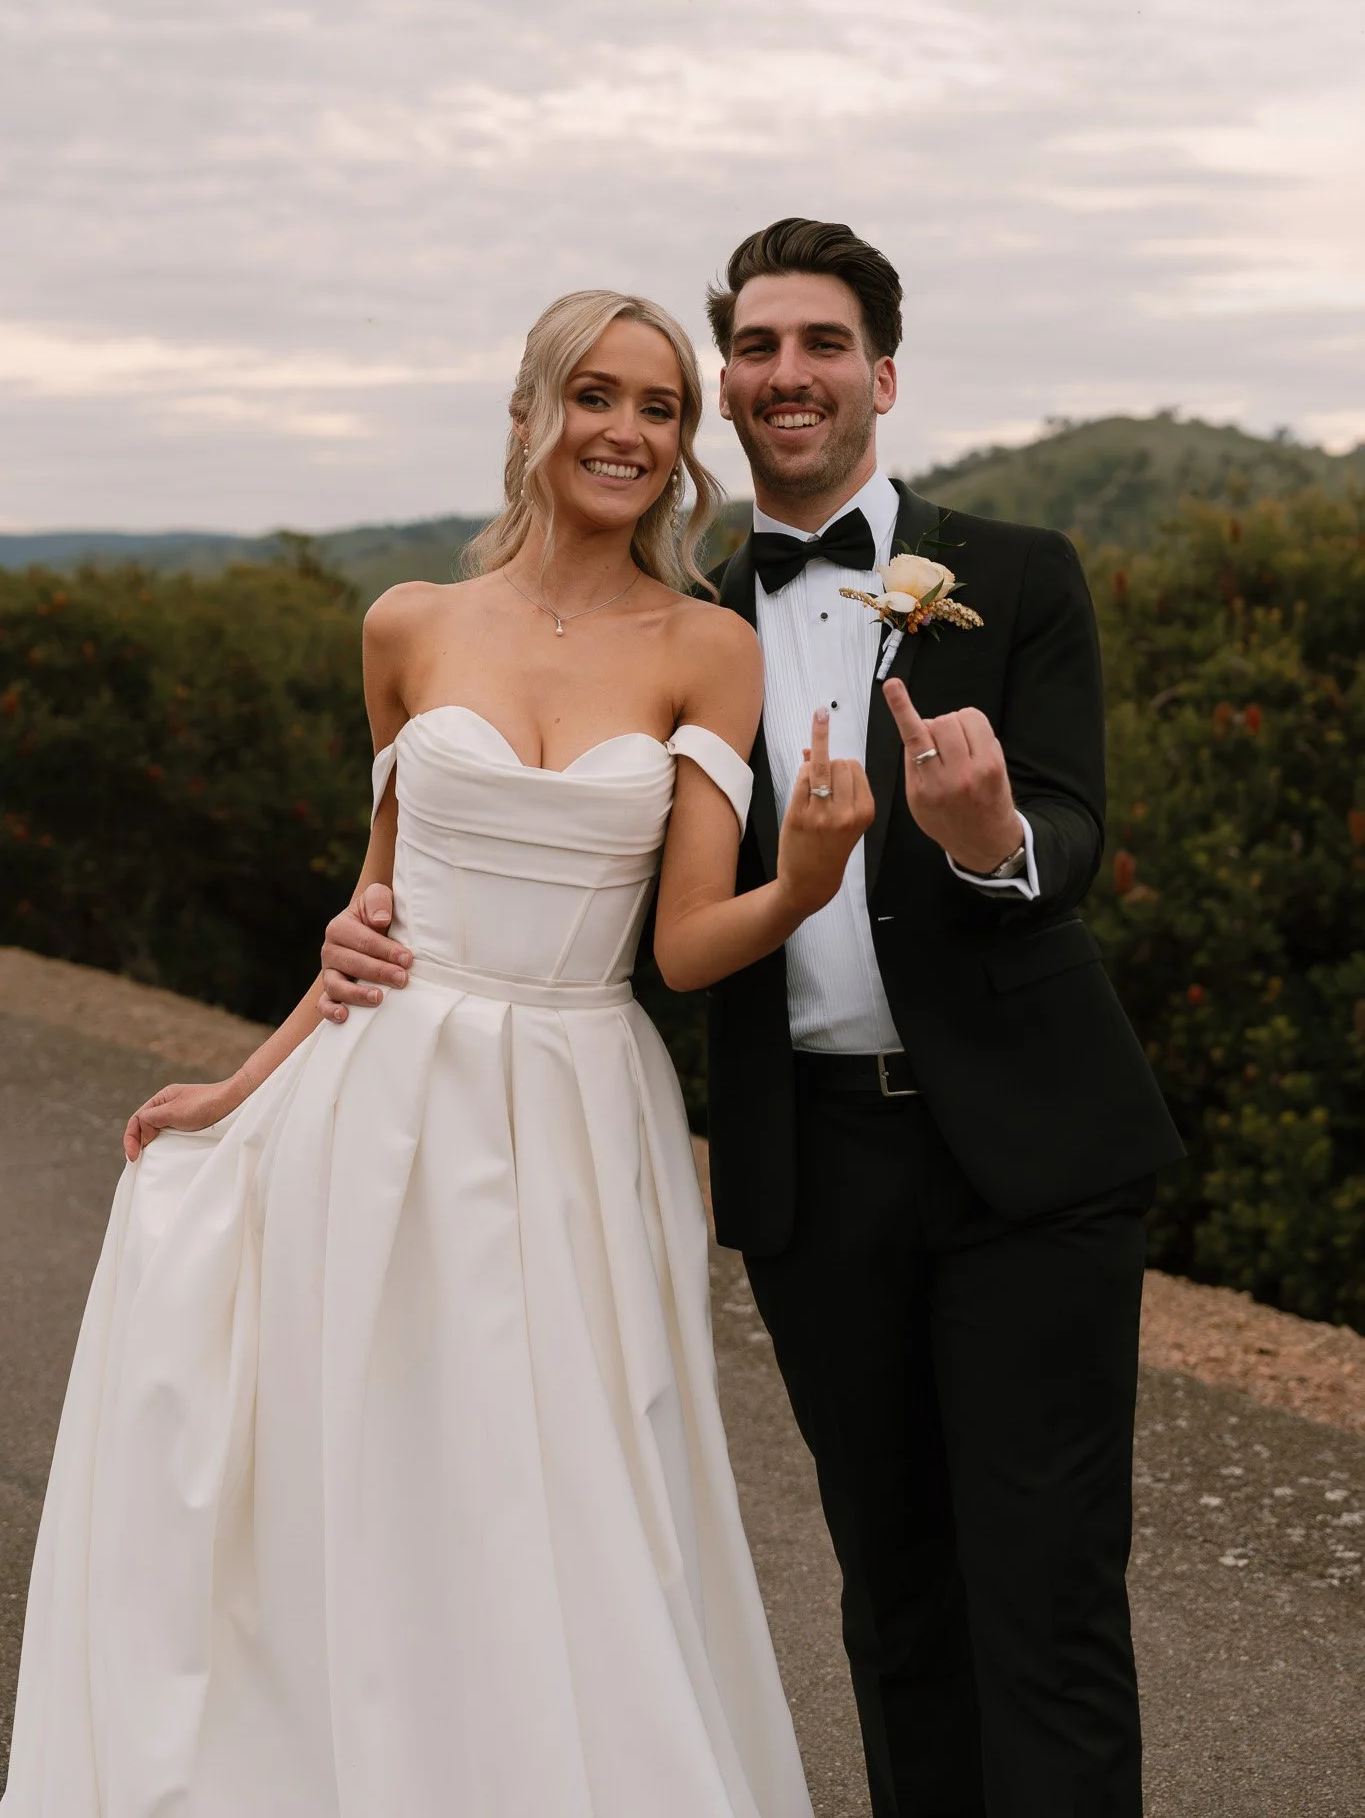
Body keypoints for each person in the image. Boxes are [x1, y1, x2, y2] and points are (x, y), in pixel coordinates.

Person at [323, 223, 1187, 1818]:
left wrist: (989, 840)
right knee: (893, 1599)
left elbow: (1067, 834)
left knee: (1049, 1601)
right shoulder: (681, 624)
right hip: (810, 1169)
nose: (789, 373)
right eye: (761, 346)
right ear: (728, 386)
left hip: (1032, 1160)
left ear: (882, 375)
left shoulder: (1018, 574)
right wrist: (381, 910)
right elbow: (603, 900)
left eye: (823, 343)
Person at [2, 289, 882, 1816]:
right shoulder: (404, 624)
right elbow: (377, 908)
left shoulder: (708, 647)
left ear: (684, 453)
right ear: (535, 414)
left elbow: (679, 950)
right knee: (366, 1472)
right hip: (377, 1095)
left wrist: (803, 883)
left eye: (661, 409)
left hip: (575, 1109)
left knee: (569, 1493)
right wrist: (240, 1085)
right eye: (597, 396)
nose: (627, 430)